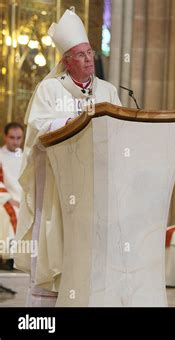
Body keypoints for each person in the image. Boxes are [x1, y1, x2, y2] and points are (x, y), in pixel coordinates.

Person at [14, 9, 122, 307]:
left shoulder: (109, 91)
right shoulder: (50, 89)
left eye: (90, 53)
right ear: (66, 61)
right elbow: (39, 128)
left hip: (95, 182)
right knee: (57, 242)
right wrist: (78, 120)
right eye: (81, 54)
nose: (89, 59)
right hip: (57, 185)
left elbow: (120, 131)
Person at [0, 123, 24, 269]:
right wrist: (9, 199)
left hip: (25, 200)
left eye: (19, 138)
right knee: (9, 214)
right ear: (5, 137)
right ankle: (9, 259)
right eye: (12, 138)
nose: (15, 142)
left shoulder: (25, 156)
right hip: (5, 198)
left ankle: (25, 260)